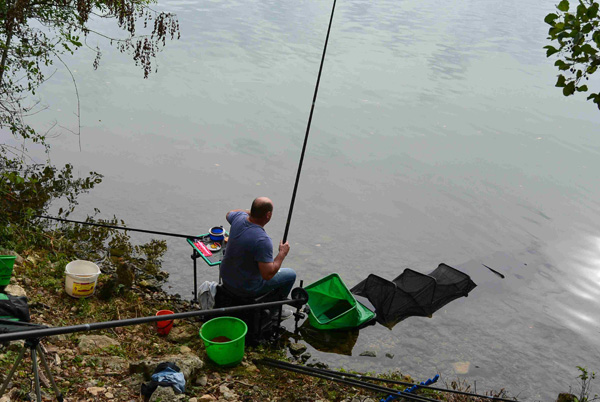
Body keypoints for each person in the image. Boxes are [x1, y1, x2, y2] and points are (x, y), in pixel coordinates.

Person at [219, 197, 296, 304]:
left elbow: (229, 213)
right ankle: (274, 309)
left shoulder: (238, 218)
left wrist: (253, 212)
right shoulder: (262, 240)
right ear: (268, 215)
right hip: (245, 288)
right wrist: (282, 253)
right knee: (291, 275)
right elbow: (267, 275)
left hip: (226, 279)